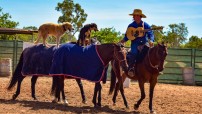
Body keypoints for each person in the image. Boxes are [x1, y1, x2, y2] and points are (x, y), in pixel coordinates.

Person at [119, 9, 154, 75]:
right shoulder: (130, 26)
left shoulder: (145, 25)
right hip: (135, 43)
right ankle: (131, 68)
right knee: (134, 53)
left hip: (144, 43)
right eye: (135, 15)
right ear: (133, 17)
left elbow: (150, 33)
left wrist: (151, 40)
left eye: (138, 15)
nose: (136, 17)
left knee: (151, 52)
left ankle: (155, 68)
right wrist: (123, 40)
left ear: (141, 16)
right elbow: (128, 35)